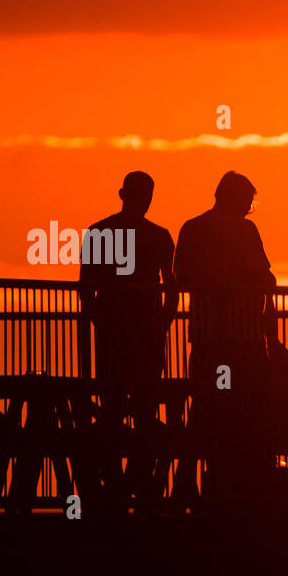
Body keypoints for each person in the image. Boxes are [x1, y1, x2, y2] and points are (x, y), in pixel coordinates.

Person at [173, 171, 277, 507]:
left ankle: (189, 485)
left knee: (203, 409)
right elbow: (265, 276)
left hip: (205, 337)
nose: (249, 210)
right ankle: (241, 488)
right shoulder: (246, 231)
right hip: (244, 337)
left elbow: (182, 277)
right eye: (248, 203)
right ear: (238, 199)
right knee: (246, 410)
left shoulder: (192, 228)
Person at [79, 171, 177, 510]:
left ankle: (115, 482)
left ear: (122, 193)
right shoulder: (160, 236)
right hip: (145, 335)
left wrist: (100, 321)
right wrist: (162, 324)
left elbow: (85, 288)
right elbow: (171, 288)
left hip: (115, 337)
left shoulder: (99, 232)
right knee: (144, 411)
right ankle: (139, 481)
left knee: (112, 410)